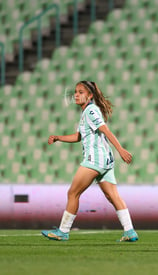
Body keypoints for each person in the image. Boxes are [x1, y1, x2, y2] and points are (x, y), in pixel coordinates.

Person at [41, 81, 138, 242]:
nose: (76, 95)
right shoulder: (87, 112)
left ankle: (63, 231)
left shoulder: (91, 111)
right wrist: (59, 137)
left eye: (81, 92)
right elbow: (78, 136)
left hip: (95, 159)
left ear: (90, 95)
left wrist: (121, 149)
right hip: (105, 160)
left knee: (73, 193)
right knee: (112, 195)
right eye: (75, 92)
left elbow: (105, 129)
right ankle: (130, 231)